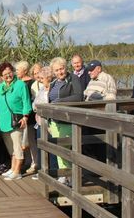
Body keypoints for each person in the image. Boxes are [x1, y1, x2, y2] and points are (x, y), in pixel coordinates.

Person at [48, 57, 83, 185]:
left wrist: (60, 102)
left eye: (61, 68)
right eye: (56, 70)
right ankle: (64, 175)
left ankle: (72, 177)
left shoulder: (73, 78)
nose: (60, 72)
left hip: (68, 120)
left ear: (65, 67)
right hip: (55, 121)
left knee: (66, 149)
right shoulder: (53, 82)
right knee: (58, 149)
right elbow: (50, 100)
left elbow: (79, 96)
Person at [0, 62, 32, 180]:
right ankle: (12, 168)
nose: (8, 76)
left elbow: (26, 102)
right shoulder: (0, 87)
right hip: (3, 121)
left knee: (18, 147)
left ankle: (17, 171)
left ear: (13, 72)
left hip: (16, 120)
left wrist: (25, 116)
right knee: (11, 148)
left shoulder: (21, 84)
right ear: (1, 76)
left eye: (9, 73)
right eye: (4, 74)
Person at [15, 61, 38, 175]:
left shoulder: (31, 83)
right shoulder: (17, 83)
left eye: (18, 70)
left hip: (30, 116)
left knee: (31, 140)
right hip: (20, 117)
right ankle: (28, 161)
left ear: (24, 70)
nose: (16, 72)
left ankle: (35, 163)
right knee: (24, 141)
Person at [31, 66, 53, 180]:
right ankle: (41, 170)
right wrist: (37, 107)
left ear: (48, 77)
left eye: (42, 78)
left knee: (52, 148)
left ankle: (53, 172)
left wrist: (39, 106)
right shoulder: (42, 89)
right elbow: (34, 104)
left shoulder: (52, 89)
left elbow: (48, 103)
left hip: (49, 123)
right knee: (41, 147)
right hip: (40, 122)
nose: (40, 80)